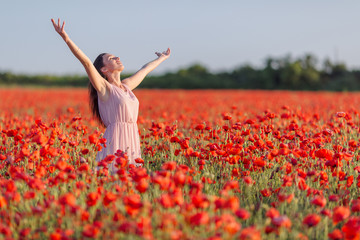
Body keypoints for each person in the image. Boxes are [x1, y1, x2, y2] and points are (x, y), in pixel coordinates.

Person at [51, 18, 170, 172]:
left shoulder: (126, 86)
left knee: (130, 181)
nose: (117, 58)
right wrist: (66, 38)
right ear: (104, 70)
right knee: (114, 178)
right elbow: (87, 63)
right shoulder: (104, 88)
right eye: (111, 59)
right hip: (116, 140)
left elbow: (145, 69)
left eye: (116, 56)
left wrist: (162, 57)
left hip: (132, 137)